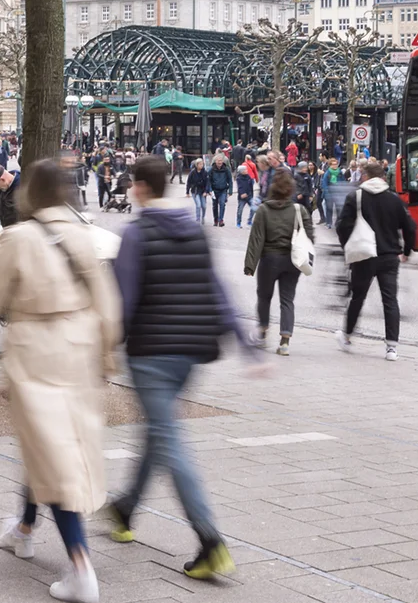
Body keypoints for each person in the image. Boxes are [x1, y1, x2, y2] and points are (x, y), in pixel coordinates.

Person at [0, 160, 120, 602]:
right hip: (79, 347)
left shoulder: (20, 238)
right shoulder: (84, 234)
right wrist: (106, 352)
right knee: (48, 443)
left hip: (36, 350)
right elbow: (107, 299)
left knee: (52, 454)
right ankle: (25, 528)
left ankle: (81, 568)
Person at [103, 156, 250, 580]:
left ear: (141, 187)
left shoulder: (137, 233)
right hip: (191, 352)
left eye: (133, 184)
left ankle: (210, 541)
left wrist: (105, 348)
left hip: (151, 353)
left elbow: (124, 301)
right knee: (157, 431)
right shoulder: (195, 230)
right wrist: (243, 341)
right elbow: (217, 288)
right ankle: (124, 508)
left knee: (169, 441)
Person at [335, 160, 417, 362]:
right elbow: (410, 227)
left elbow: (342, 225)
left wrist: (348, 247)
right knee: (390, 300)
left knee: (358, 296)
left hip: (364, 256)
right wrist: (406, 251)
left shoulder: (356, 197)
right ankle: (391, 347)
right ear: (382, 177)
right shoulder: (394, 199)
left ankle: (347, 336)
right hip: (389, 256)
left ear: (365, 176)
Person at [243, 172, 312, 355]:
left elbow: (256, 239)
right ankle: (285, 341)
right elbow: (310, 237)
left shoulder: (264, 210)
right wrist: (307, 260)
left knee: (264, 297)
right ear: (291, 190)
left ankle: (262, 333)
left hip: (269, 260)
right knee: (287, 299)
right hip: (292, 261)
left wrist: (250, 265)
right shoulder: (299, 210)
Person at [207, 154, 232, 228]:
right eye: (218, 161)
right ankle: (216, 219)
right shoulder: (211, 169)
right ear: (215, 161)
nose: (219, 162)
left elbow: (230, 180)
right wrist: (210, 190)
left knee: (222, 204)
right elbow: (208, 180)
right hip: (214, 190)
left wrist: (230, 191)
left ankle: (221, 220)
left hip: (223, 189)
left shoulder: (226, 169)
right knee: (215, 206)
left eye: (221, 161)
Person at [185, 158, 208, 223]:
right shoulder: (192, 172)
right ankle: (198, 219)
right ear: (196, 165)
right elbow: (189, 182)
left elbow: (207, 183)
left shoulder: (205, 172)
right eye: (200, 164)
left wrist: (206, 191)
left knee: (204, 206)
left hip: (203, 191)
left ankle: (203, 217)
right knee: (198, 205)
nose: (201, 165)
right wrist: (187, 192)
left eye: (202, 164)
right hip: (195, 190)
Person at [234, 163, 256, 229]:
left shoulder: (248, 177)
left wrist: (251, 194)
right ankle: (238, 223)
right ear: (241, 171)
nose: (246, 170)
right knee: (240, 211)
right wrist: (242, 193)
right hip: (242, 197)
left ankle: (249, 220)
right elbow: (240, 187)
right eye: (245, 170)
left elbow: (251, 186)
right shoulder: (239, 178)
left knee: (253, 208)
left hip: (249, 196)